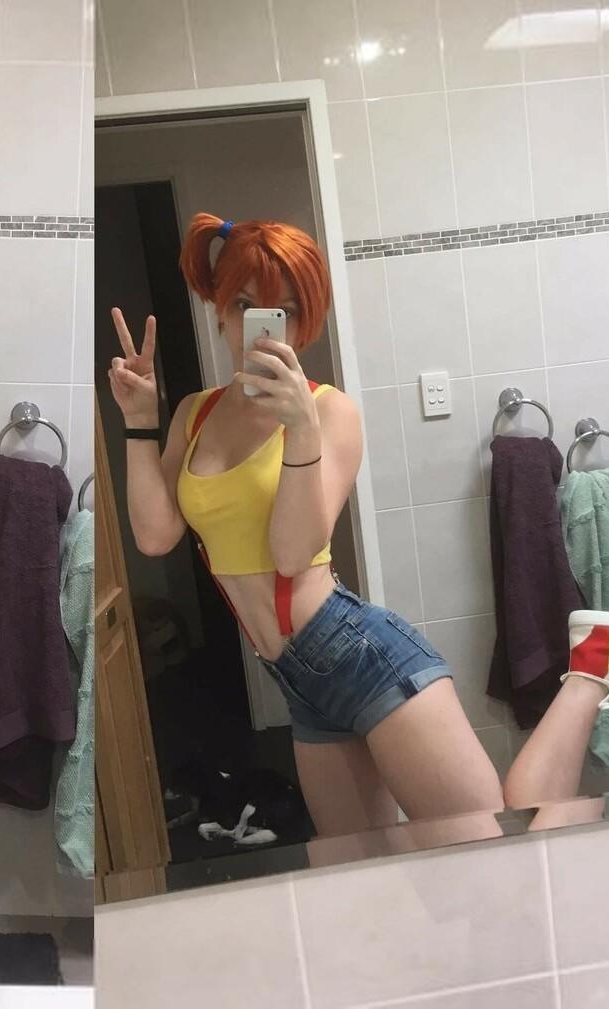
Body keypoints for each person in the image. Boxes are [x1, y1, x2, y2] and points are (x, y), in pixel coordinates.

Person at [106, 213, 503, 847]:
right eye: (244, 304)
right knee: (350, 872)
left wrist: (300, 430)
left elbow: (293, 554)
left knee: (486, 848)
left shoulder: (328, 411)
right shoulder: (193, 414)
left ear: (304, 323)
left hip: (363, 657)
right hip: (298, 681)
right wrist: (139, 421)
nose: (261, 326)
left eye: (284, 312)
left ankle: (589, 671)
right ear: (220, 312)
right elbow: (155, 537)